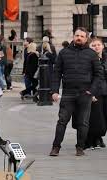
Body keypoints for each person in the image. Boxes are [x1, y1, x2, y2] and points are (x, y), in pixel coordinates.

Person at [49, 27, 103, 156]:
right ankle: (56, 147)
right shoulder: (63, 53)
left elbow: (98, 74)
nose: (79, 38)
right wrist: (54, 91)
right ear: (73, 36)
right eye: (77, 35)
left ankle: (80, 148)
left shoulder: (91, 54)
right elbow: (56, 73)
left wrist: (92, 90)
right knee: (62, 121)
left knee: (83, 122)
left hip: (85, 93)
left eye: (82, 36)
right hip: (68, 93)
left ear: (86, 39)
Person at [83, 38, 107, 149]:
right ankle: (91, 140)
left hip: (105, 91)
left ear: (103, 46)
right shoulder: (87, 60)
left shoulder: (105, 58)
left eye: (98, 45)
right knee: (96, 118)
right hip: (94, 91)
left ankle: (98, 138)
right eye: (94, 45)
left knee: (104, 118)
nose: (96, 47)